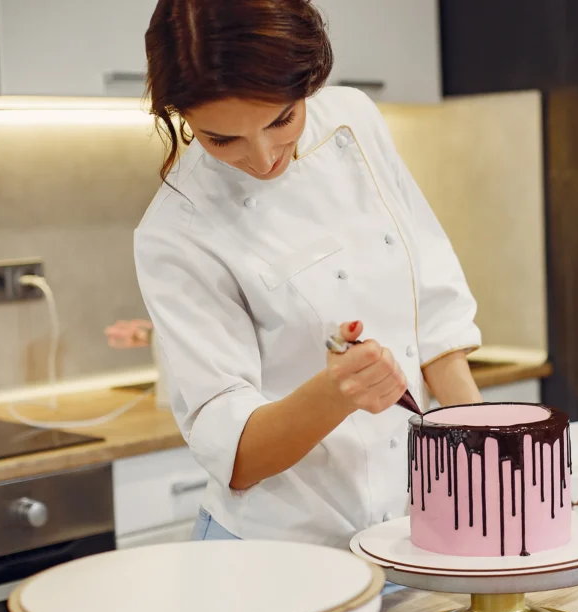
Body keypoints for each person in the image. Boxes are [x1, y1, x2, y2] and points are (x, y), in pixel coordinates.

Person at [134, 0, 483, 554]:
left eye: (281, 120)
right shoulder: (175, 232)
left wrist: (480, 447)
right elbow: (238, 457)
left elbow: (432, 304)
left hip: (411, 532)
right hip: (275, 553)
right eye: (221, 140)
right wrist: (335, 392)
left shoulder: (355, 118)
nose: (265, 157)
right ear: (178, 115)